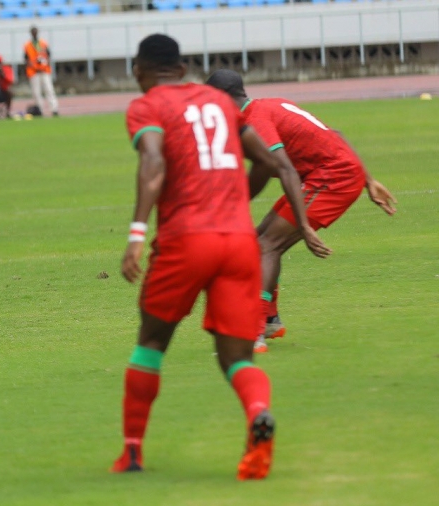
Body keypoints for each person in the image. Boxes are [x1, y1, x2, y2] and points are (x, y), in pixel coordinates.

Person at [111, 34, 330, 480]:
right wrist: (235, 197)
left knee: (151, 344)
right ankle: (257, 414)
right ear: (184, 66)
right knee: (238, 358)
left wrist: (136, 233)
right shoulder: (220, 102)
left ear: (139, 70)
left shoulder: (147, 106)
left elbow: (153, 162)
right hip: (237, 243)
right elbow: (272, 164)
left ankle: (132, 452)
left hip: (185, 240)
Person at [205, 69, 397, 353]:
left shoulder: (254, 120)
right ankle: (270, 320)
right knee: (259, 240)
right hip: (328, 175)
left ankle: (254, 330)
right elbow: (336, 134)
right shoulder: (272, 104)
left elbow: (284, 170)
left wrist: (305, 227)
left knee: (265, 246)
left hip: (334, 179)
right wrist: (369, 180)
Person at [23, 25, 58, 117]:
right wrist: (33, 67)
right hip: (34, 72)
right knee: (36, 92)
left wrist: (45, 65)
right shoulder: (27, 45)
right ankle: (40, 110)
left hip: (44, 70)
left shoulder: (43, 43)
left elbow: (48, 55)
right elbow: (26, 59)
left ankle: (54, 109)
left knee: (49, 89)